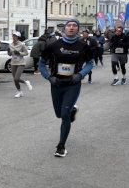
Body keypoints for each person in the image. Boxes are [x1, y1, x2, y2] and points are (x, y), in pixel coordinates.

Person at [39, 18, 94, 157]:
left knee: (64, 115)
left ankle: (61, 146)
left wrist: (80, 74)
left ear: (78, 30)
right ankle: (72, 111)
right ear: (64, 29)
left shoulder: (83, 46)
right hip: (57, 83)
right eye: (69, 25)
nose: (71, 27)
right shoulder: (54, 45)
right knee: (59, 114)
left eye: (75, 25)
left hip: (72, 84)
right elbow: (41, 62)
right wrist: (48, 77)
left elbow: (90, 63)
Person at [8, 31, 32, 97]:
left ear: (18, 37)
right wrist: (9, 52)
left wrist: (19, 53)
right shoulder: (10, 44)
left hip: (20, 63)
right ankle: (19, 91)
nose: (13, 37)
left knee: (17, 78)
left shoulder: (22, 44)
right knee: (15, 79)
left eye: (15, 36)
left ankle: (26, 82)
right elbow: (10, 54)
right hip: (13, 62)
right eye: (13, 36)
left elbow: (26, 53)